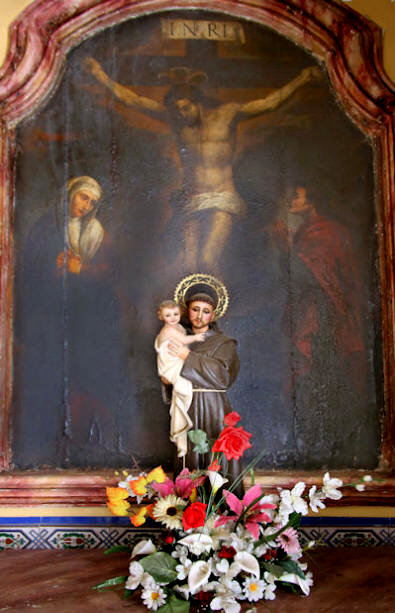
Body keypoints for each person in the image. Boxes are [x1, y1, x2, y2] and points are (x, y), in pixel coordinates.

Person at [84, 60, 322, 271]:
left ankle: (213, 317)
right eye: (176, 109)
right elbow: (134, 100)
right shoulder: (177, 121)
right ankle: (188, 318)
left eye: (186, 107)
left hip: (223, 196)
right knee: (188, 265)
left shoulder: (227, 114)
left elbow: (270, 103)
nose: (181, 113)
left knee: (208, 260)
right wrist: (100, 75)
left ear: (198, 102)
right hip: (194, 198)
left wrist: (301, 80)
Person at [161, 292, 241, 484]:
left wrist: (187, 356)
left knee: (216, 458)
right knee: (188, 455)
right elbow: (169, 370)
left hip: (214, 407)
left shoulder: (224, 343)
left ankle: (221, 508)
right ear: (187, 312)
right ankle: (188, 506)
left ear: (212, 315)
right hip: (186, 406)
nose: (199, 316)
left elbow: (223, 376)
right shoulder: (178, 339)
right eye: (195, 310)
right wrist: (167, 382)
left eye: (206, 312)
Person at [155, 299, 205, 459]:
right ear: (161, 317)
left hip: (179, 360)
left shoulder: (178, 327)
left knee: (185, 389)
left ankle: (184, 429)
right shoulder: (168, 330)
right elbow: (183, 341)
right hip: (171, 364)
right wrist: (197, 338)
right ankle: (181, 431)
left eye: (176, 314)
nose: (173, 318)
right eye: (168, 315)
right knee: (184, 388)